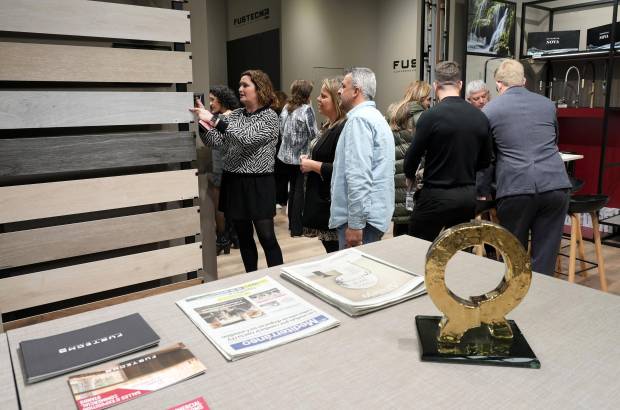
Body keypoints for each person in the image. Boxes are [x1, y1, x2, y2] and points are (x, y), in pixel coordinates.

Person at [483, 59, 571, 275]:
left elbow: (488, 157)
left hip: (515, 187)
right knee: (545, 255)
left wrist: (482, 191)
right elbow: (555, 140)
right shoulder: (547, 105)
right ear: (523, 81)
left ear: (498, 83)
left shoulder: (489, 110)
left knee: (514, 254)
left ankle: (517, 301)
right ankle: (541, 301)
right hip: (555, 185)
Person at [190, 69, 283, 272]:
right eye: (239, 85)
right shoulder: (236, 115)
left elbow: (246, 138)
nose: (240, 89)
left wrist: (214, 120)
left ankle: (278, 278)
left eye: (245, 85)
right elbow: (216, 141)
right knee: (243, 236)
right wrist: (203, 122)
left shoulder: (269, 117)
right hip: (234, 181)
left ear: (260, 89)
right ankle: (251, 277)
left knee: (267, 237)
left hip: (259, 182)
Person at [404, 61, 492, 242]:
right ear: (460, 85)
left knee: (416, 248)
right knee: (457, 252)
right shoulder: (480, 117)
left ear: (436, 86)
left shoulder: (430, 116)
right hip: (466, 197)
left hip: (435, 195)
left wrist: (410, 175)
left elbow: (412, 158)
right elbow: (485, 160)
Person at [330, 67, 395, 249]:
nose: (339, 90)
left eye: (343, 86)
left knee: (355, 274)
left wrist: (356, 224)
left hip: (362, 222)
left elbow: (359, 175)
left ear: (356, 91)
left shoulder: (359, 120)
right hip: (373, 217)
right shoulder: (376, 118)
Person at [299, 77, 347, 253]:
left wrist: (311, 164)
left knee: (337, 252)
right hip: (321, 198)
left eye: (324, 96)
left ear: (336, 100)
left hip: (330, 202)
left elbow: (339, 170)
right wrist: (309, 157)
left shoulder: (342, 128)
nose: (318, 99)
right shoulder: (329, 125)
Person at [386, 80, 431, 237]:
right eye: (428, 99)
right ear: (420, 98)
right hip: (414, 177)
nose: (429, 103)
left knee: (400, 225)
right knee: (415, 228)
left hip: (396, 176)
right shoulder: (422, 117)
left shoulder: (392, 115)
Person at [278, 80, 318, 236]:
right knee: (300, 191)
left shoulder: (286, 108)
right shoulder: (306, 110)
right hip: (301, 157)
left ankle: (292, 226)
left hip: (285, 156)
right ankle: (297, 228)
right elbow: (314, 134)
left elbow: (282, 131)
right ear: (307, 94)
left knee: (293, 189)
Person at [206, 85, 240, 255]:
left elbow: (212, 142)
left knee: (220, 206)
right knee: (230, 204)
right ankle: (233, 236)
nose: (210, 103)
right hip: (232, 167)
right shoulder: (236, 116)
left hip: (221, 166)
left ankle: (222, 238)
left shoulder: (218, 119)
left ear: (222, 100)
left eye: (213, 99)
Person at [273, 90, 289, 211]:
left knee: (278, 175)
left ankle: (278, 199)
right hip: (282, 146)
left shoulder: (275, 113)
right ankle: (282, 199)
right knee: (282, 175)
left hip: (277, 146)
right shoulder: (285, 112)